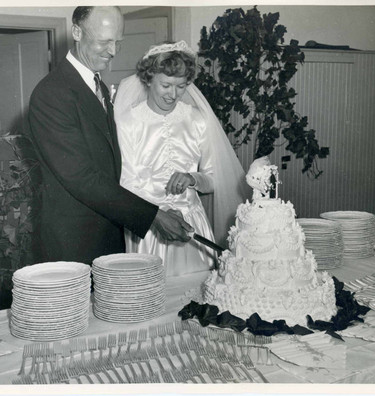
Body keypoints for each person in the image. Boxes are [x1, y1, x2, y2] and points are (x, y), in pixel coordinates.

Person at [27, 7, 193, 265]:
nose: (113, 51)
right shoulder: (52, 94)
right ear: (76, 32)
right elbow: (82, 178)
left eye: (118, 42)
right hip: (75, 243)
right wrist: (153, 216)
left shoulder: (98, 86)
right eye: (104, 41)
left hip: (107, 232)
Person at [114, 41, 249, 276]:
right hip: (149, 225)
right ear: (148, 78)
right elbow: (126, 182)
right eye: (166, 85)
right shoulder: (128, 121)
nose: (173, 95)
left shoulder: (198, 120)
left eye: (181, 86)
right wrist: (161, 212)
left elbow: (215, 178)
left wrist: (193, 178)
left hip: (192, 225)